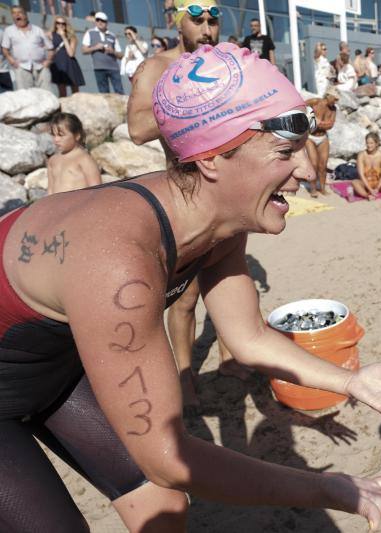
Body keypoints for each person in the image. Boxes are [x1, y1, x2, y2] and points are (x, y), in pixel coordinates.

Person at [0, 41, 381, 532]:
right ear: (210, 158)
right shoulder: (117, 260)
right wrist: (330, 489)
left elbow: (247, 336)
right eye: (284, 151)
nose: (305, 170)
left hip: (51, 372)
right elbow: (169, 458)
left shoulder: (219, 224)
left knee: (161, 505)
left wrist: (349, 382)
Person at [128, 0, 250, 406]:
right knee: (185, 296)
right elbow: (137, 128)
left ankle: (232, 355)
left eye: (213, 20)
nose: (207, 28)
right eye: (197, 20)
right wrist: (190, 98)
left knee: (231, 279)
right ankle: (183, 375)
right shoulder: (156, 68)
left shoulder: (230, 63)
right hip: (188, 196)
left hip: (230, 194)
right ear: (176, 20)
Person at [46, 112, 101, 195]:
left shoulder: (83, 159)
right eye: (54, 135)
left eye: (61, 135)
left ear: (77, 135)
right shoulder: (52, 161)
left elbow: (96, 189)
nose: (56, 139)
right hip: (57, 206)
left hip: (79, 206)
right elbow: (50, 191)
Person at [1, 6, 53, 91]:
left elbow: (50, 48)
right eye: (13, 13)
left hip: (41, 67)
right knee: (25, 96)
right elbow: (5, 48)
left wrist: (48, 61)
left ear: (26, 15)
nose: (16, 15)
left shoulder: (37, 30)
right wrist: (11, 60)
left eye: (19, 12)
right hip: (22, 67)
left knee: (46, 94)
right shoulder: (9, 31)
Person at [305, 87, 338, 197]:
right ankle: (313, 189)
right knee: (313, 164)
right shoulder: (316, 102)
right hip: (310, 137)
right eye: (335, 99)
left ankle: (322, 188)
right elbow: (301, 106)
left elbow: (331, 125)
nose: (336, 101)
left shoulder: (334, 109)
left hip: (323, 137)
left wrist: (319, 123)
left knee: (323, 165)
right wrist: (310, 118)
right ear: (328, 96)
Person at [81, 11, 123, 95]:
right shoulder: (90, 33)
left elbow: (121, 55)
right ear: (95, 21)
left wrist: (113, 51)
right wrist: (95, 47)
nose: (100, 22)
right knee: (104, 94)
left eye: (102, 20)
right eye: (98, 20)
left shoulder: (112, 35)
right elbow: (83, 50)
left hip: (114, 69)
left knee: (119, 92)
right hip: (99, 68)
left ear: (106, 23)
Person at [354, 132, 381, 200]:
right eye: (367, 143)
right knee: (354, 183)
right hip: (365, 183)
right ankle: (367, 196)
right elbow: (361, 175)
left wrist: (377, 188)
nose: (369, 145)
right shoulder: (361, 155)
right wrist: (370, 189)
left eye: (371, 143)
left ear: (376, 144)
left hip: (378, 183)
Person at [48, 16, 84, 97]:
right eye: (58, 23)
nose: (60, 25)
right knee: (62, 93)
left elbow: (71, 53)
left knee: (76, 93)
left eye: (63, 23)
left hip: (70, 64)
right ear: (55, 24)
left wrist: (64, 37)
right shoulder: (50, 35)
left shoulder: (71, 36)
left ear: (66, 24)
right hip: (58, 65)